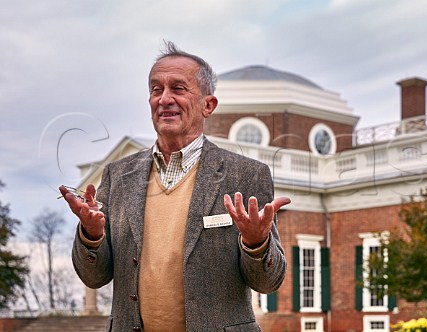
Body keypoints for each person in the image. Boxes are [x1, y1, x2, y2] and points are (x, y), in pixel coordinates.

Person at [59, 41, 290, 332]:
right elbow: (95, 278)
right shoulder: (117, 175)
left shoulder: (245, 175)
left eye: (178, 89)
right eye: (156, 89)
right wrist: (91, 236)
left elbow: (268, 283)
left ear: (208, 105)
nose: (164, 98)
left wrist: (257, 244)